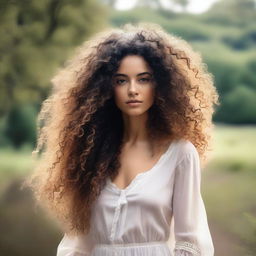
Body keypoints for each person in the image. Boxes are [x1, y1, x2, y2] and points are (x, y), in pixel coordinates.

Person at [24, 22, 219, 256]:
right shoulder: (90, 153)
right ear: (106, 88)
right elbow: (78, 244)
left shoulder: (180, 153)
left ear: (160, 85)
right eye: (121, 80)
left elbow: (190, 242)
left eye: (143, 79)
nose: (133, 90)